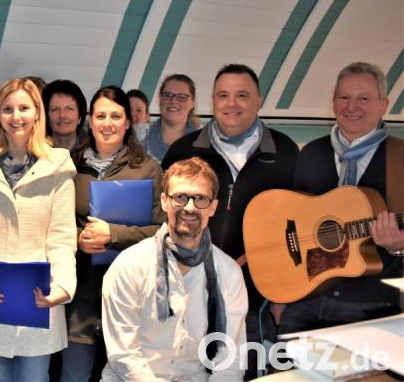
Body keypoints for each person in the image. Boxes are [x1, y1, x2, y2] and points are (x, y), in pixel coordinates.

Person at [162, 64, 299, 378]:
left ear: (258, 101)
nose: (231, 104)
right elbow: (164, 220)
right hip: (190, 291)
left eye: (242, 95)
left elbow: (299, 227)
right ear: (212, 100)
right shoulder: (183, 151)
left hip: (257, 298)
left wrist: (286, 295)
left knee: (243, 372)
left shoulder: (287, 152)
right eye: (223, 95)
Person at [0, 78, 77, 382]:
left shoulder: (57, 166)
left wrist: (60, 288)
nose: (16, 116)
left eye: (23, 108)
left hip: (39, 298)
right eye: (7, 109)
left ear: (37, 112)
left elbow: (61, 237)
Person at [276, 62, 403, 334]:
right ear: (333, 102)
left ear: (384, 104)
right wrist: (280, 293)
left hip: (372, 307)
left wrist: (399, 247)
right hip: (305, 301)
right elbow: (288, 224)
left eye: (364, 98)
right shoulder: (311, 153)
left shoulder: (400, 158)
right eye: (344, 97)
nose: (351, 106)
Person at [101, 157, 248, 381]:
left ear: (213, 207)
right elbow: (124, 355)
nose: (189, 207)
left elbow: (231, 357)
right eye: (180, 197)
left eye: (200, 198)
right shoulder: (129, 264)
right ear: (164, 201)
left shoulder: (228, 272)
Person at [62, 86, 165, 382]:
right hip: (79, 297)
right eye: (101, 115)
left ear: (128, 122)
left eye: (115, 116)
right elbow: (52, 225)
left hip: (129, 298)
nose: (107, 123)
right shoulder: (68, 165)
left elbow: (161, 231)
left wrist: (113, 234)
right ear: (90, 121)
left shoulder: (147, 169)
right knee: (74, 374)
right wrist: (80, 238)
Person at [140, 74, 201, 162]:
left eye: (182, 97)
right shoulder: (140, 139)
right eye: (167, 95)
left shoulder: (204, 143)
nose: (173, 101)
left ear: (193, 103)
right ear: (160, 99)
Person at [42, 79, 88, 153]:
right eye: (55, 109)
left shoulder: (94, 154)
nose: (62, 115)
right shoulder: (35, 155)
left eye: (69, 109)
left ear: (80, 116)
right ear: (47, 118)